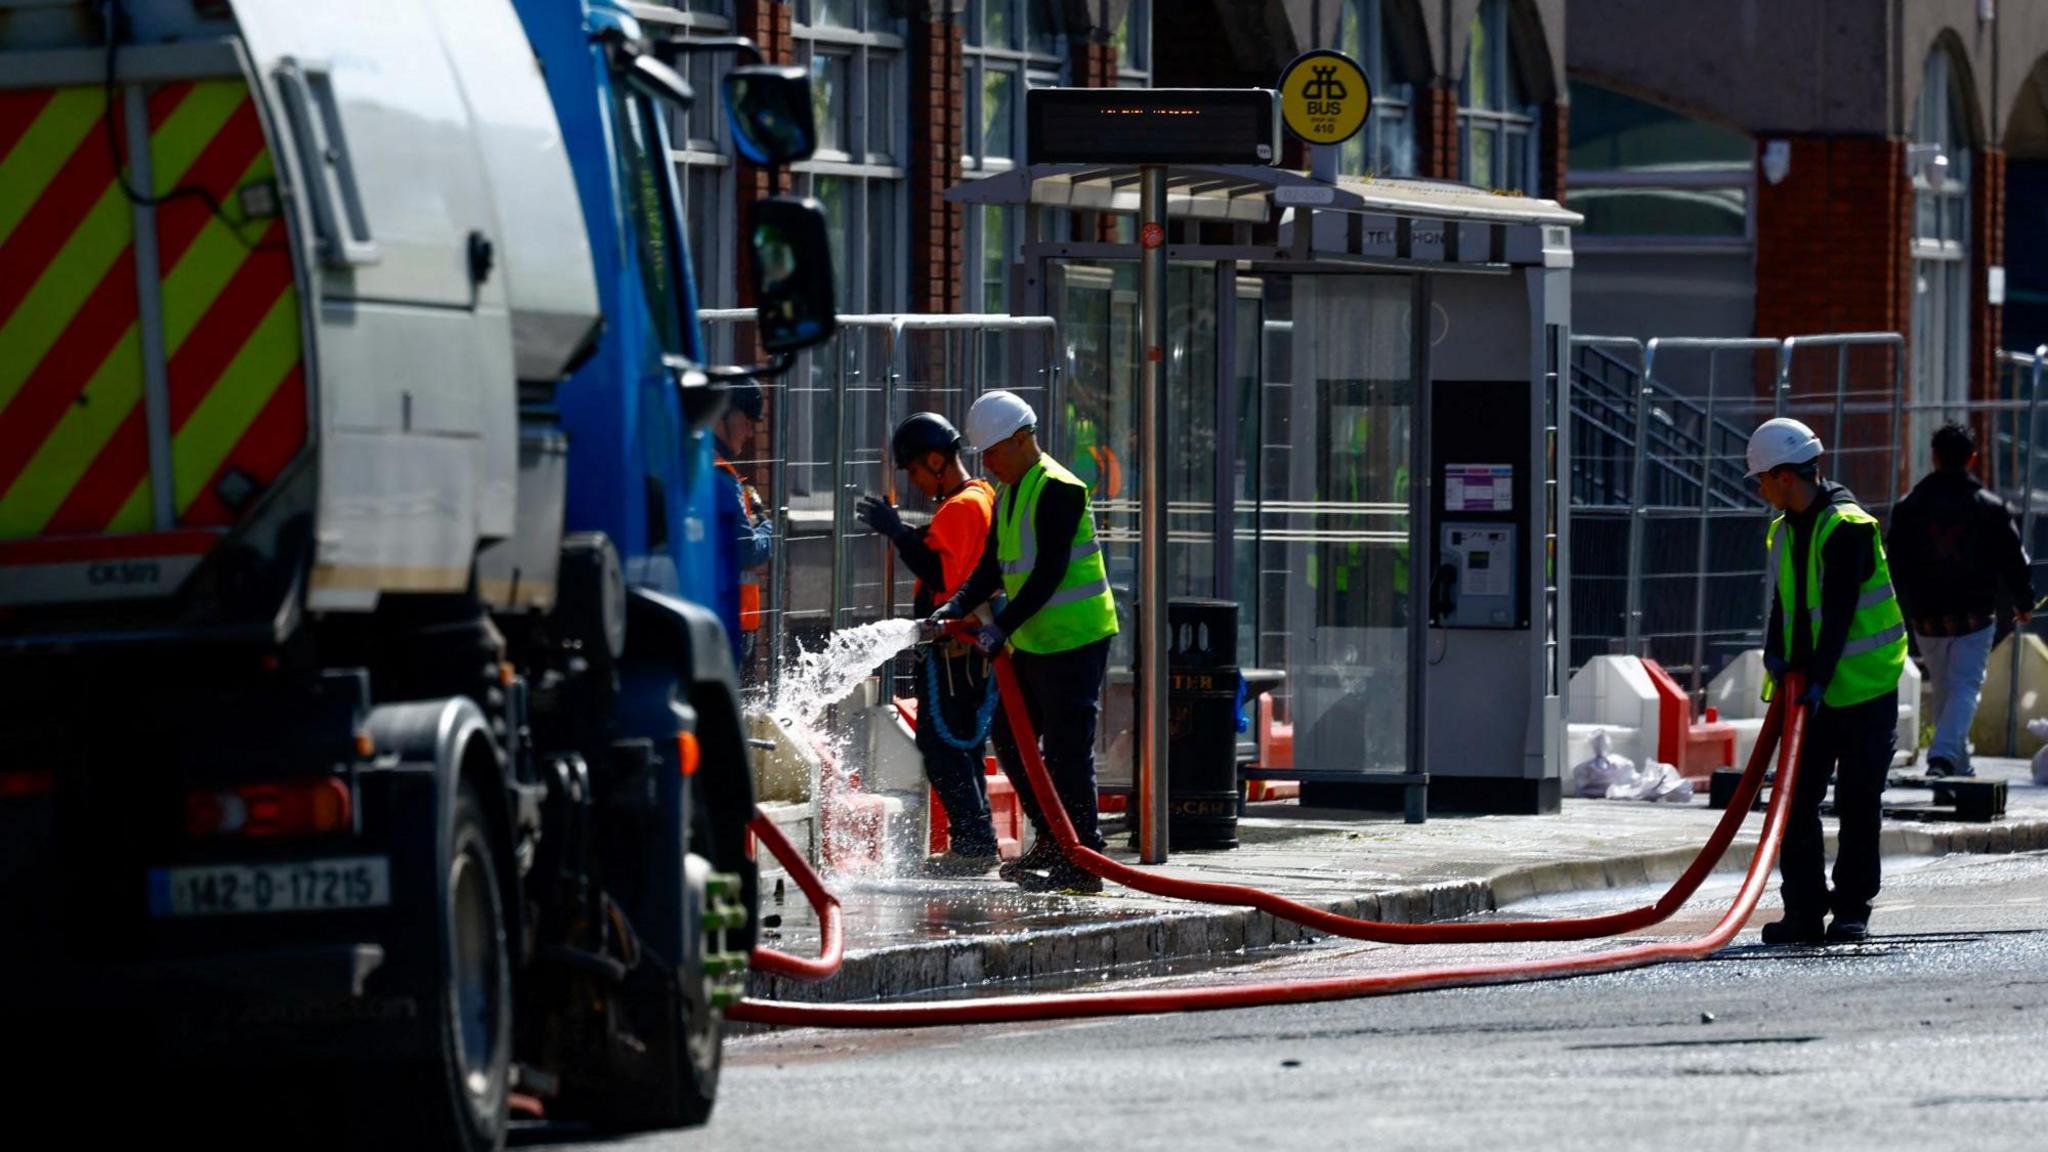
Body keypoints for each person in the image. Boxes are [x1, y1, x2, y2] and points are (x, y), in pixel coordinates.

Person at [931, 390, 1119, 894]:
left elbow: (1049, 575)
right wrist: (956, 604)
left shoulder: (1060, 487)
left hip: (1075, 640)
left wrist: (1001, 625)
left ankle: (1085, 856)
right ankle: (1057, 841)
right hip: (1034, 642)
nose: (987, 464)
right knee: (1012, 743)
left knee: (1066, 750)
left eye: (992, 453)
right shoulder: (1011, 490)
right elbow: (992, 566)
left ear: (1020, 441)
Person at [1749, 417, 1908, 945]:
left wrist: (1816, 678)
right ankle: (1803, 911)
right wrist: (1775, 654)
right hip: (1810, 696)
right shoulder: (1785, 527)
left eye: (1762, 480)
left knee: (1858, 801)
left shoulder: (1848, 527)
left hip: (1862, 690)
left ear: (1785, 477)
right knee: (1794, 804)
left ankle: (1851, 910)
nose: (1759, 490)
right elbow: (1786, 603)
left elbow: (1838, 614)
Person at [855, 413, 1006, 876]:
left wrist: (899, 533)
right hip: (966, 651)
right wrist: (906, 533)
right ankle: (976, 840)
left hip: (957, 652)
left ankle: (974, 843)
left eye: (916, 471)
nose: (916, 482)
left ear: (937, 460)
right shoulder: (979, 496)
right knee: (964, 747)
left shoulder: (962, 506)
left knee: (943, 746)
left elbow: (942, 574)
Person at [1886, 422, 2036, 778]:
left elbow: (1895, 562)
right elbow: (2012, 558)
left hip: (1926, 617)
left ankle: (1958, 762)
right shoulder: (1989, 507)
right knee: (1965, 687)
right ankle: (1942, 756)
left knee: (1944, 690)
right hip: (1973, 615)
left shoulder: (1909, 507)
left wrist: (1901, 609)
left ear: (1934, 457)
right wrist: (2023, 600)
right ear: (1972, 458)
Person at [714, 379, 773, 673]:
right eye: (747, 420)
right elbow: (747, 550)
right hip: (728, 620)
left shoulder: (700, 464)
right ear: (722, 412)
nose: (751, 432)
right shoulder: (720, 476)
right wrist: (768, 527)